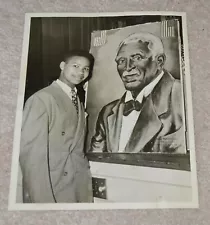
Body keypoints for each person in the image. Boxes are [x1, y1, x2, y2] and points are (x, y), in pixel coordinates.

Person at [90, 32, 185, 153]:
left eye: (137, 58)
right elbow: (96, 164)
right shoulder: (108, 112)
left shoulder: (182, 97)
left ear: (159, 61)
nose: (127, 67)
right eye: (121, 61)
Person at [20, 50, 94, 203]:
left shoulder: (78, 101)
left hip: (77, 184)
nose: (81, 72)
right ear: (62, 65)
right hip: (53, 186)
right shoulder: (42, 99)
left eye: (86, 68)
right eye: (75, 65)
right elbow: (32, 156)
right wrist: (42, 200)